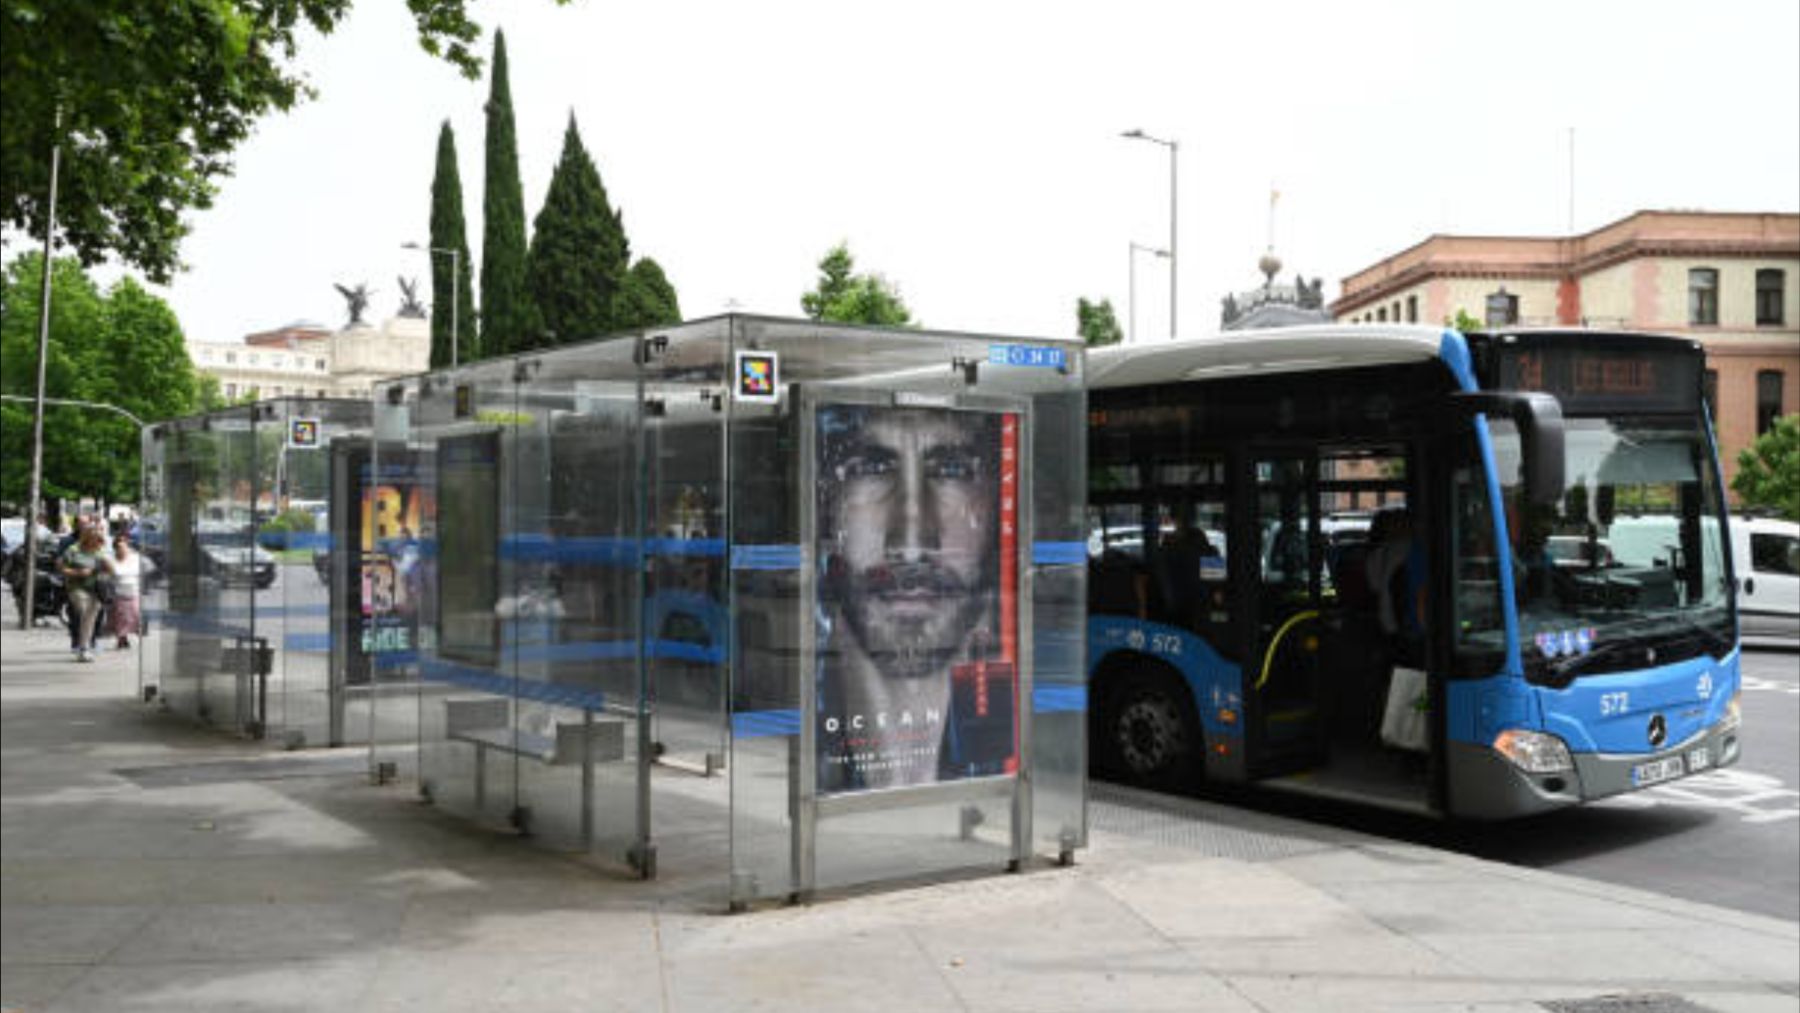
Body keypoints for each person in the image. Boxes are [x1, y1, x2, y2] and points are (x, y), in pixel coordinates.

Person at [815, 404, 1010, 792]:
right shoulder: (809, 737)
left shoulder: (996, 757)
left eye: (952, 471)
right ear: (826, 508)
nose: (910, 544)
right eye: (871, 469)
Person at [59, 522, 108, 661]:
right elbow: (61, 567)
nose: (96, 542)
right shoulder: (73, 550)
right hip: (76, 587)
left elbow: (110, 570)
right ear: (87, 537)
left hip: (95, 589)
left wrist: (107, 566)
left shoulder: (99, 551)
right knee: (84, 610)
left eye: (98, 539)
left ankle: (84, 647)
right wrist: (77, 572)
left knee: (91, 616)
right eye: (93, 538)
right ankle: (83, 646)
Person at [103, 532, 147, 649]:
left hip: (133, 591)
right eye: (119, 547)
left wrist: (118, 573)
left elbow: (136, 571)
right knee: (119, 617)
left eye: (124, 547)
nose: (122, 549)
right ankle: (122, 639)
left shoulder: (135, 558)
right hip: (117, 593)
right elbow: (111, 575)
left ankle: (129, 635)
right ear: (115, 549)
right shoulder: (110, 559)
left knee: (134, 614)